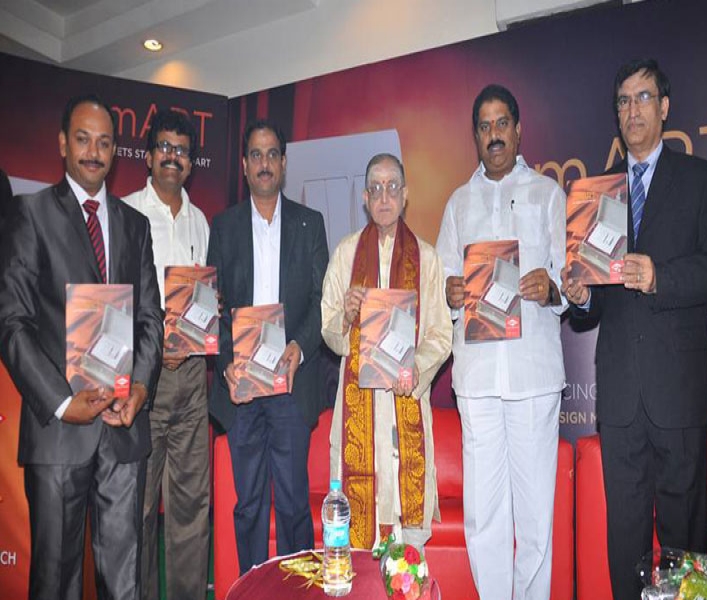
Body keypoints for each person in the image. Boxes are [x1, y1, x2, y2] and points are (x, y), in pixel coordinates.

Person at [561, 59, 707, 600]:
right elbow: (592, 306)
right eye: (623, 101)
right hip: (619, 396)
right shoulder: (597, 192)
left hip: (676, 391)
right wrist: (581, 296)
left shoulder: (700, 178)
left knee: (684, 538)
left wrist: (660, 276)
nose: (632, 110)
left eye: (642, 97)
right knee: (626, 540)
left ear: (664, 107)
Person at [0, 94, 163, 600]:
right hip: (59, 432)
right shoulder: (30, 214)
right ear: (62, 144)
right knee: (55, 582)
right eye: (83, 139)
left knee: (124, 584)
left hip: (122, 428)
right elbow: (12, 322)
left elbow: (150, 319)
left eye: (105, 142)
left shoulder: (135, 225)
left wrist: (139, 389)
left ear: (115, 151)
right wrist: (61, 402)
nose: (94, 152)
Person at [435, 84, 567, 600]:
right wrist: (451, 293)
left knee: (534, 516)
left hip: (533, 375)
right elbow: (445, 282)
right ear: (475, 136)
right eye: (484, 126)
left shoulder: (547, 194)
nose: (494, 135)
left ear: (518, 130)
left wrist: (551, 287)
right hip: (478, 380)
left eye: (502, 124)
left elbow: (572, 279)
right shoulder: (457, 203)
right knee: (483, 514)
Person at [207, 119, 329, 572]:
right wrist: (226, 363)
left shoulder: (309, 223)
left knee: (294, 503)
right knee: (250, 505)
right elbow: (213, 306)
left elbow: (322, 301)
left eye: (272, 154)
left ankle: (299, 593)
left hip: (290, 383)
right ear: (244, 165)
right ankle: (254, 589)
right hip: (242, 388)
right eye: (255, 155)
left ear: (283, 162)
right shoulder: (224, 226)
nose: (264, 163)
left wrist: (299, 346)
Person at [321, 153, 452, 550]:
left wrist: (415, 369)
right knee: (357, 541)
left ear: (405, 195)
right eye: (375, 188)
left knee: (405, 539)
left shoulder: (426, 258)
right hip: (358, 405)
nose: (384, 196)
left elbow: (440, 334)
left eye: (392, 187)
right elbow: (328, 330)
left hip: (403, 403)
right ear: (364, 198)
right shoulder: (346, 254)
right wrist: (346, 316)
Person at [122, 109, 211, 600]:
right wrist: (152, 352)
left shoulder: (201, 222)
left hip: (192, 381)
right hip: (142, 382)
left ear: (190, 163)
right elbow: (115, 302)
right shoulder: (125, 213)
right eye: (164, 148)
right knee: (136, 507)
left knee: (191, 507)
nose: (172, 157)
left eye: (181, 150)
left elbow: (201, 302)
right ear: (149, 155)